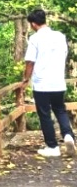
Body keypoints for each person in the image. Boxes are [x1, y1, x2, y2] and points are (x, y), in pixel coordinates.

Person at [22, 9, 75, 157]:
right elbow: (64, 55)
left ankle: (53, 147)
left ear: (33, 24)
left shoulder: (34, 39)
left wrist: (26, 79)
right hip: (58, 82)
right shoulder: (60, 36)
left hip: (42, 84)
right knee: (60, 110)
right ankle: (68, 136)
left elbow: (30, 62)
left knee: (44, 114)